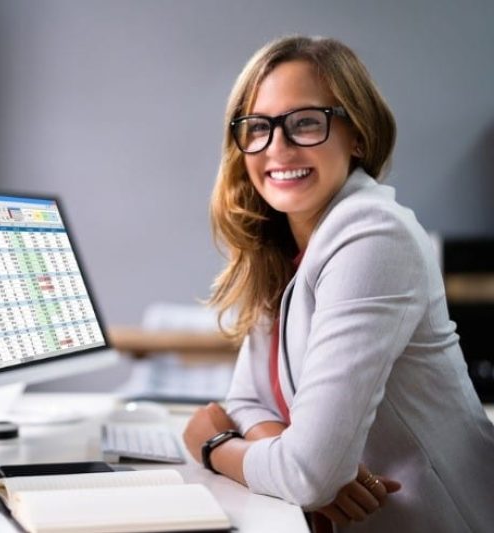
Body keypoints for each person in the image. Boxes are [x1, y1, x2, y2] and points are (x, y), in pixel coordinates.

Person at [182, 35, 494, 532]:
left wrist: (214, 446)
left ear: (359, 136)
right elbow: (246, 402)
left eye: (305, 122)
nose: (276, 147)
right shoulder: (281, 246)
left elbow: (306, 475)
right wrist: (286, 454)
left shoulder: (373, 235)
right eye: (258, 127)